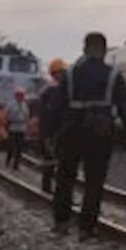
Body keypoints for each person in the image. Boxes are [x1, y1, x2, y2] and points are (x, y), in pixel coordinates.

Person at [49, 32, 126, 239]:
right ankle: (86, 227)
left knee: (65, 178)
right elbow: (125, 107)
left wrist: (49, 133)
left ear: (84, 49)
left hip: (71, 131)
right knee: (94, 181)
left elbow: (56, 107)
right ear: (104, 50)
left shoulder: (70, 75)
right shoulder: (113, 75)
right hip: (100, 133)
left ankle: (61, 222)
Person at [38, 58, 69, 193]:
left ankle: (52, 189)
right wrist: (46, 135)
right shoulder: (50, 91)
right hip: (52, 132)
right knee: (51, 161)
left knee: (57, 162)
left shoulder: (51, 91)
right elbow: (46, 116)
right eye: (60, 72)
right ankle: (48, 189)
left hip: (58, 131)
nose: (62, 75)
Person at [4, 87, 30, 169]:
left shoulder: (25, 105)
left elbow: (27, 116)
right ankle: (8, 161)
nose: (21, 97)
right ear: (16, 96)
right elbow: (6, 114)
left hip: (22, 128)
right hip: (13, 127)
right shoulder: (10, 104)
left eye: (22, 95)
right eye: (19, 95)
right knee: (11, 146)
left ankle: (16, 164)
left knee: (19, 147)